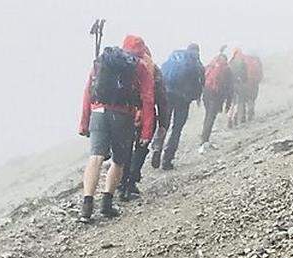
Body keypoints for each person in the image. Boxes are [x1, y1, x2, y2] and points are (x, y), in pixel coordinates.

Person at [78, 35, 156, 223]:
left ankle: (86, 207)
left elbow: (88, 90)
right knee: (119, 160)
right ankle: (106, 203)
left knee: (95, 156)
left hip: (98, 111)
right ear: (142, 51)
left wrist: (83, 122)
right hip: (123, 115)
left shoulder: (103, 61)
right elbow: (148, 99)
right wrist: (146, 132)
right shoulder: (139, 66)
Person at [121, 52, 169, 199]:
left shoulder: (122, 65)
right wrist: (163, 123)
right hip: (147, 115)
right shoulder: (153, 69)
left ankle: (121, 182)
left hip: (126, 114)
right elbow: (161, 98)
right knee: (141, 148)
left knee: (126, 148)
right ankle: (131, 183)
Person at [152, 43, 205, 170]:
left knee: (164, 124)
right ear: (197, 51)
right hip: (183, 98)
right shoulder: (196, 62)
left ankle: (157, 146)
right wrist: (195, 96)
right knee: (176, 129)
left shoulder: (175, 57)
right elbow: (201, 82)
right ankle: (167, 160)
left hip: (168, 94)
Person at [200, 52, 234, 148]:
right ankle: (205, 138)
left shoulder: (210, 66)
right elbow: (230, 88)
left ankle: (204, 136)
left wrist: (200, 96)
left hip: (207, 94)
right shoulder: (227, 69)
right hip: (217, 96)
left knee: (208, 115)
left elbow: (202, 80)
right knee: (211, 116)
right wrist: (228, 103)